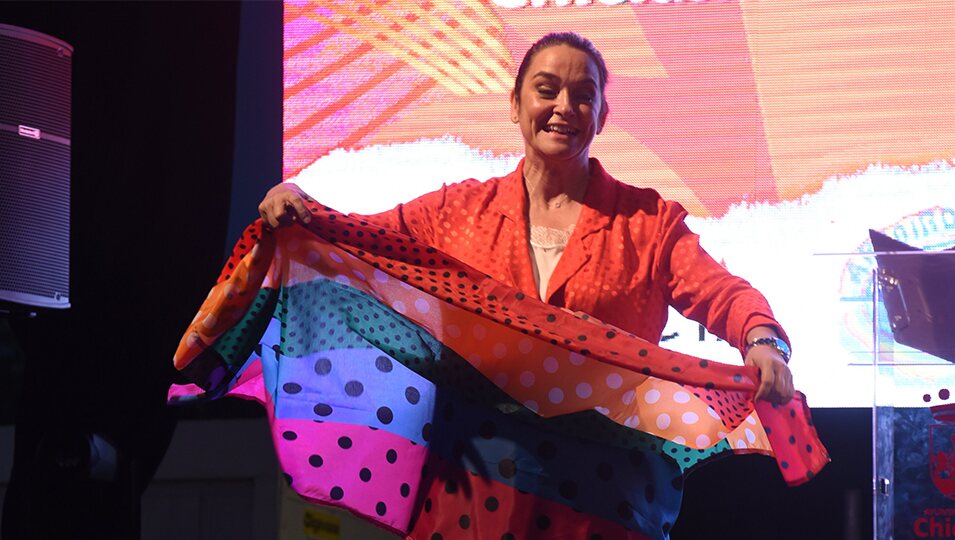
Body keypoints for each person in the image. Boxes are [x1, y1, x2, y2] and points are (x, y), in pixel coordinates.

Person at [192, 32, 820, 540]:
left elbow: (724, 292)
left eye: (584, 94)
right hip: (474, 486)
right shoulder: (454, 212)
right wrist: (301, 208)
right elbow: (359, 245)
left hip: (606, 494)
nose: (564, 108)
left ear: (603, 113)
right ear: (516, 105)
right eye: (547, 90)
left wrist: (765, 341)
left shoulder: (647, 222)